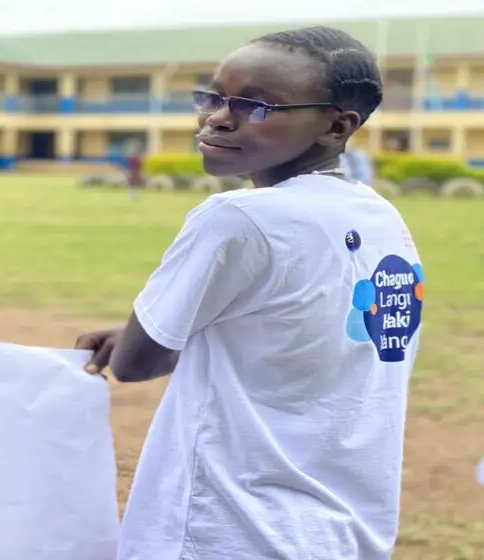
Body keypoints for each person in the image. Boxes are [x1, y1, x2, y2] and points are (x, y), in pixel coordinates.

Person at [76, 27, 423, 559]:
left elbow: (138, 362)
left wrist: (134, 341)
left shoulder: (236, 218)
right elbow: (295, 330)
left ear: (336, 125)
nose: (218, 116)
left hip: (230, 528)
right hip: (341, 528)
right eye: (214, 96)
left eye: (257, 105)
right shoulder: (379, 217)